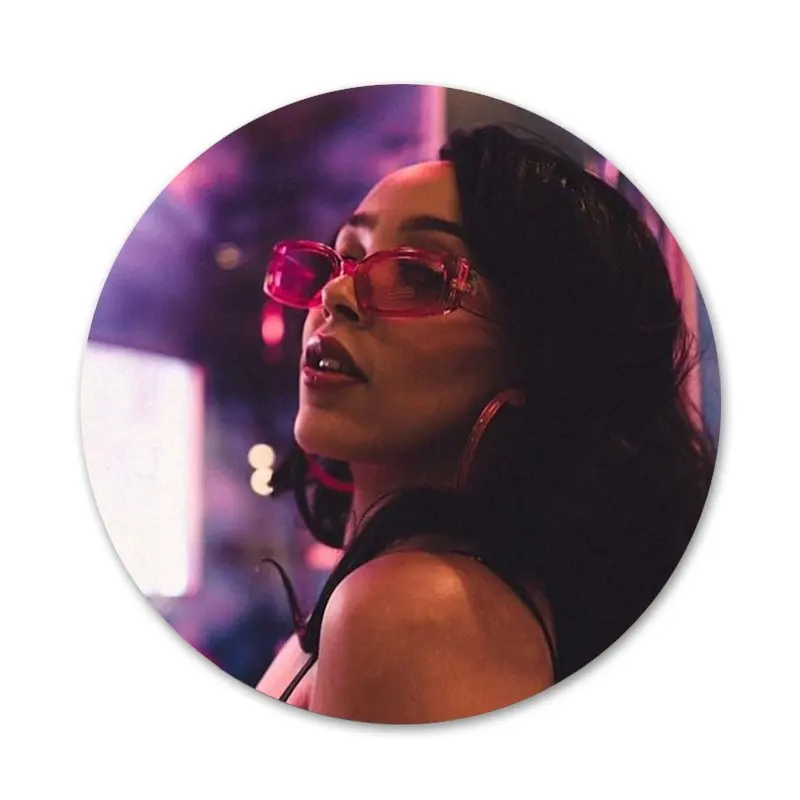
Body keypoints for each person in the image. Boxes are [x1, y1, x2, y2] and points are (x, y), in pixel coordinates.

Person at [255, 125, 717, 724]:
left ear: (540, 352)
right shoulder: (409, 596)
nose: (338, 293)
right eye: (344, 256)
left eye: (417, 275)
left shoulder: (416, 608)